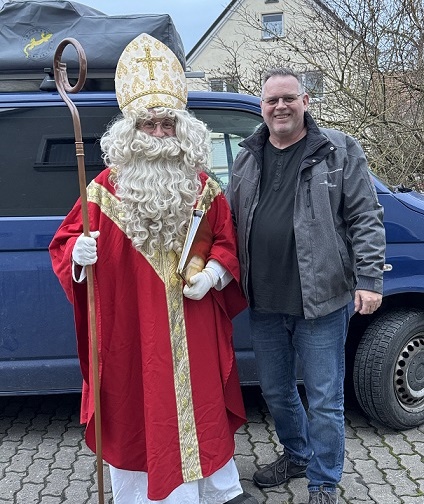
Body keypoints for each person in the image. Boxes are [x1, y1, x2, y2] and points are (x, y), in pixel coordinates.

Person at [49, 33, 258, 504]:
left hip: (194, 323)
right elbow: (64, 244)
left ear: (182, 128)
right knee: (136, 409)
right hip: (133, 328)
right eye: (150, 125)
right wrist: (78, 255)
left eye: (168, 124)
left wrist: (214, 275)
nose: (160, 134)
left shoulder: (203, 187)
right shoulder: (103, 191)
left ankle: (217, 489)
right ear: (132, 130)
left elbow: (226, 243)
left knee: (202, 402)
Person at [225, 67, 386, 504]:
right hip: (264, 301)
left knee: (325, 399)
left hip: (322, 301)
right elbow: (230, 219)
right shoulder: (247, 157)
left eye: (288, 98)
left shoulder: (338, 149)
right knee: (277, 392)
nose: (280, 107)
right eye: (271, 100)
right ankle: (297, 455)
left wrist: (369, 279)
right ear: (262, 107)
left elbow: (366, 217)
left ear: (305, 101)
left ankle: (324, 481)